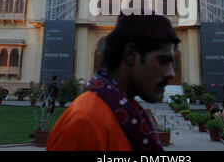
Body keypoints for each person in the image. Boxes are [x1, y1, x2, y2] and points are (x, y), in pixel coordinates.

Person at [47, 10, 180, 151]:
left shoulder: (125, 110)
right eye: (163, 61)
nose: (170, 73)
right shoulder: (86, 122)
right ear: (130, 55)